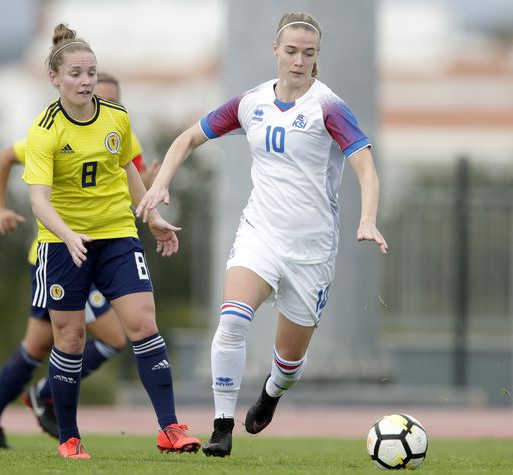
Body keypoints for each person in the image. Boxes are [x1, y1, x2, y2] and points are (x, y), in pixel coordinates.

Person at [136, 12, 388, 458]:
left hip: (311, 251)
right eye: (291, 51)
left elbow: (366, 167)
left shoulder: (328, 106)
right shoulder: (251, 102)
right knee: (232, 320)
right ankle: (221, 427)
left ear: (316, 59)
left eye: (308, 54)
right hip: (260, 235)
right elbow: (188, 138)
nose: (298, 61)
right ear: (276, 51)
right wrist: (161, 182)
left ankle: (272, 392)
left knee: (288, 363)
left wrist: (367, 219)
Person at [22, 23, 200, 459]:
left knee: (143, 324)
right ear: (55, 78)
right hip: (63, 246)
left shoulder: (116, 118)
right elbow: (38, 202)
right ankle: (69, 437)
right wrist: (67, 234)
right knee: (70, 340)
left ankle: (170, 429)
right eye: (76, 74)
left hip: (118, 235)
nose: (85, 82)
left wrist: (152, 216)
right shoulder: (45, 130)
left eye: (90, 73)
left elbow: (129, 171)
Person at [0, 73, 158, 450]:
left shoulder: (119, 130)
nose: (92, 101)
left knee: (37, 346)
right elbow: (4, 156)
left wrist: (149, 188)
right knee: (110, 336)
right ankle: (44, 395)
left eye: (105, 98)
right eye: (87, 90)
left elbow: (133, 185)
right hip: (60, 254)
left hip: (100, 246)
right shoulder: (53, 129)